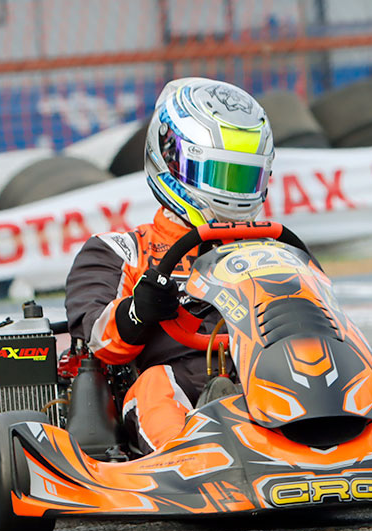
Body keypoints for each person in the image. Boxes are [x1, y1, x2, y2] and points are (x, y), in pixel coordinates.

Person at [64, 77, 274, 454]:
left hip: (264, 378)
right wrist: (139, 310)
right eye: (221, 175)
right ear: (173, 160)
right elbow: (98, 337)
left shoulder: (273, 250)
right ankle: (190, 457)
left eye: (245, 178)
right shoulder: (121, 251)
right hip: (174, 384)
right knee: (157, 383)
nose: (234, 193)